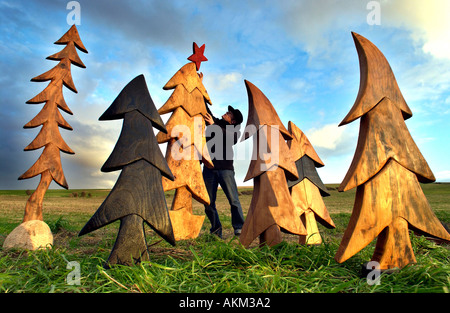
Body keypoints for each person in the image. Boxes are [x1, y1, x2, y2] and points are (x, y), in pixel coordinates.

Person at [202, 104, 245, 238]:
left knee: (233, 200)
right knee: (208, 202)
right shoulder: (215, 122)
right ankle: (216, 230)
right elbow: (205, 111)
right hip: (209, 169)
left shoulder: (234, 131)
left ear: (233, 122)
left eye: (229, 113)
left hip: (226, 170)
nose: (226, 113)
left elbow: (229, 138)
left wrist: (213, 125)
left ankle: (239, 228)